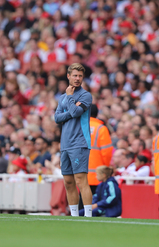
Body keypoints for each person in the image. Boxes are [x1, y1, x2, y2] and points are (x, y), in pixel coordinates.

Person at [54, 63, 93, 217]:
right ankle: (74, 217)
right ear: (68, 76)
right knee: (68, 182)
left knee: (80, 180)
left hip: (80, 142)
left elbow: (76, 112)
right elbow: (57, 118)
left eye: (80, 76)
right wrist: (71, 109)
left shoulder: (85, 95)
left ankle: (88, 217)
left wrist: (70, 101)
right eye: (75, 75)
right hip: (65, 144)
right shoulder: (62, 98)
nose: (77, 79)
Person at [79, 104, 113, 210]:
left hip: (81, 171)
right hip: (97, 174)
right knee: (95, 203)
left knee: (82, 198)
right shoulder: (101, 129)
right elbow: (106, 153)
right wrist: (105, 170)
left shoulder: (79, 127)